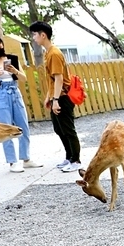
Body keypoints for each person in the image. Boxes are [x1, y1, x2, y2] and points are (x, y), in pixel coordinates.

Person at [0, 34, 40, 173]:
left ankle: (26, 158)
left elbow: (24, 78)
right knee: (5, 128)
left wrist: (15, 71)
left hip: (14, 91)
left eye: (1, 44)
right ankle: (12, 161)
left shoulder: (11, 58)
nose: (0, 47)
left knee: (22, 124)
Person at [29, 21, 81, 172]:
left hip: (62, 97)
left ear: (43, 35)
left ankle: (76, 160)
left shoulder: (54, 54)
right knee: (59, 129)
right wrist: (49, 97)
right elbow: (52, 80)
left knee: (68, 129)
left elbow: (59, 78)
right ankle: (69, 157)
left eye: (34, 34)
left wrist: (56, 100)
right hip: (56, 96)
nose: (33, 38)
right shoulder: (48, 53)